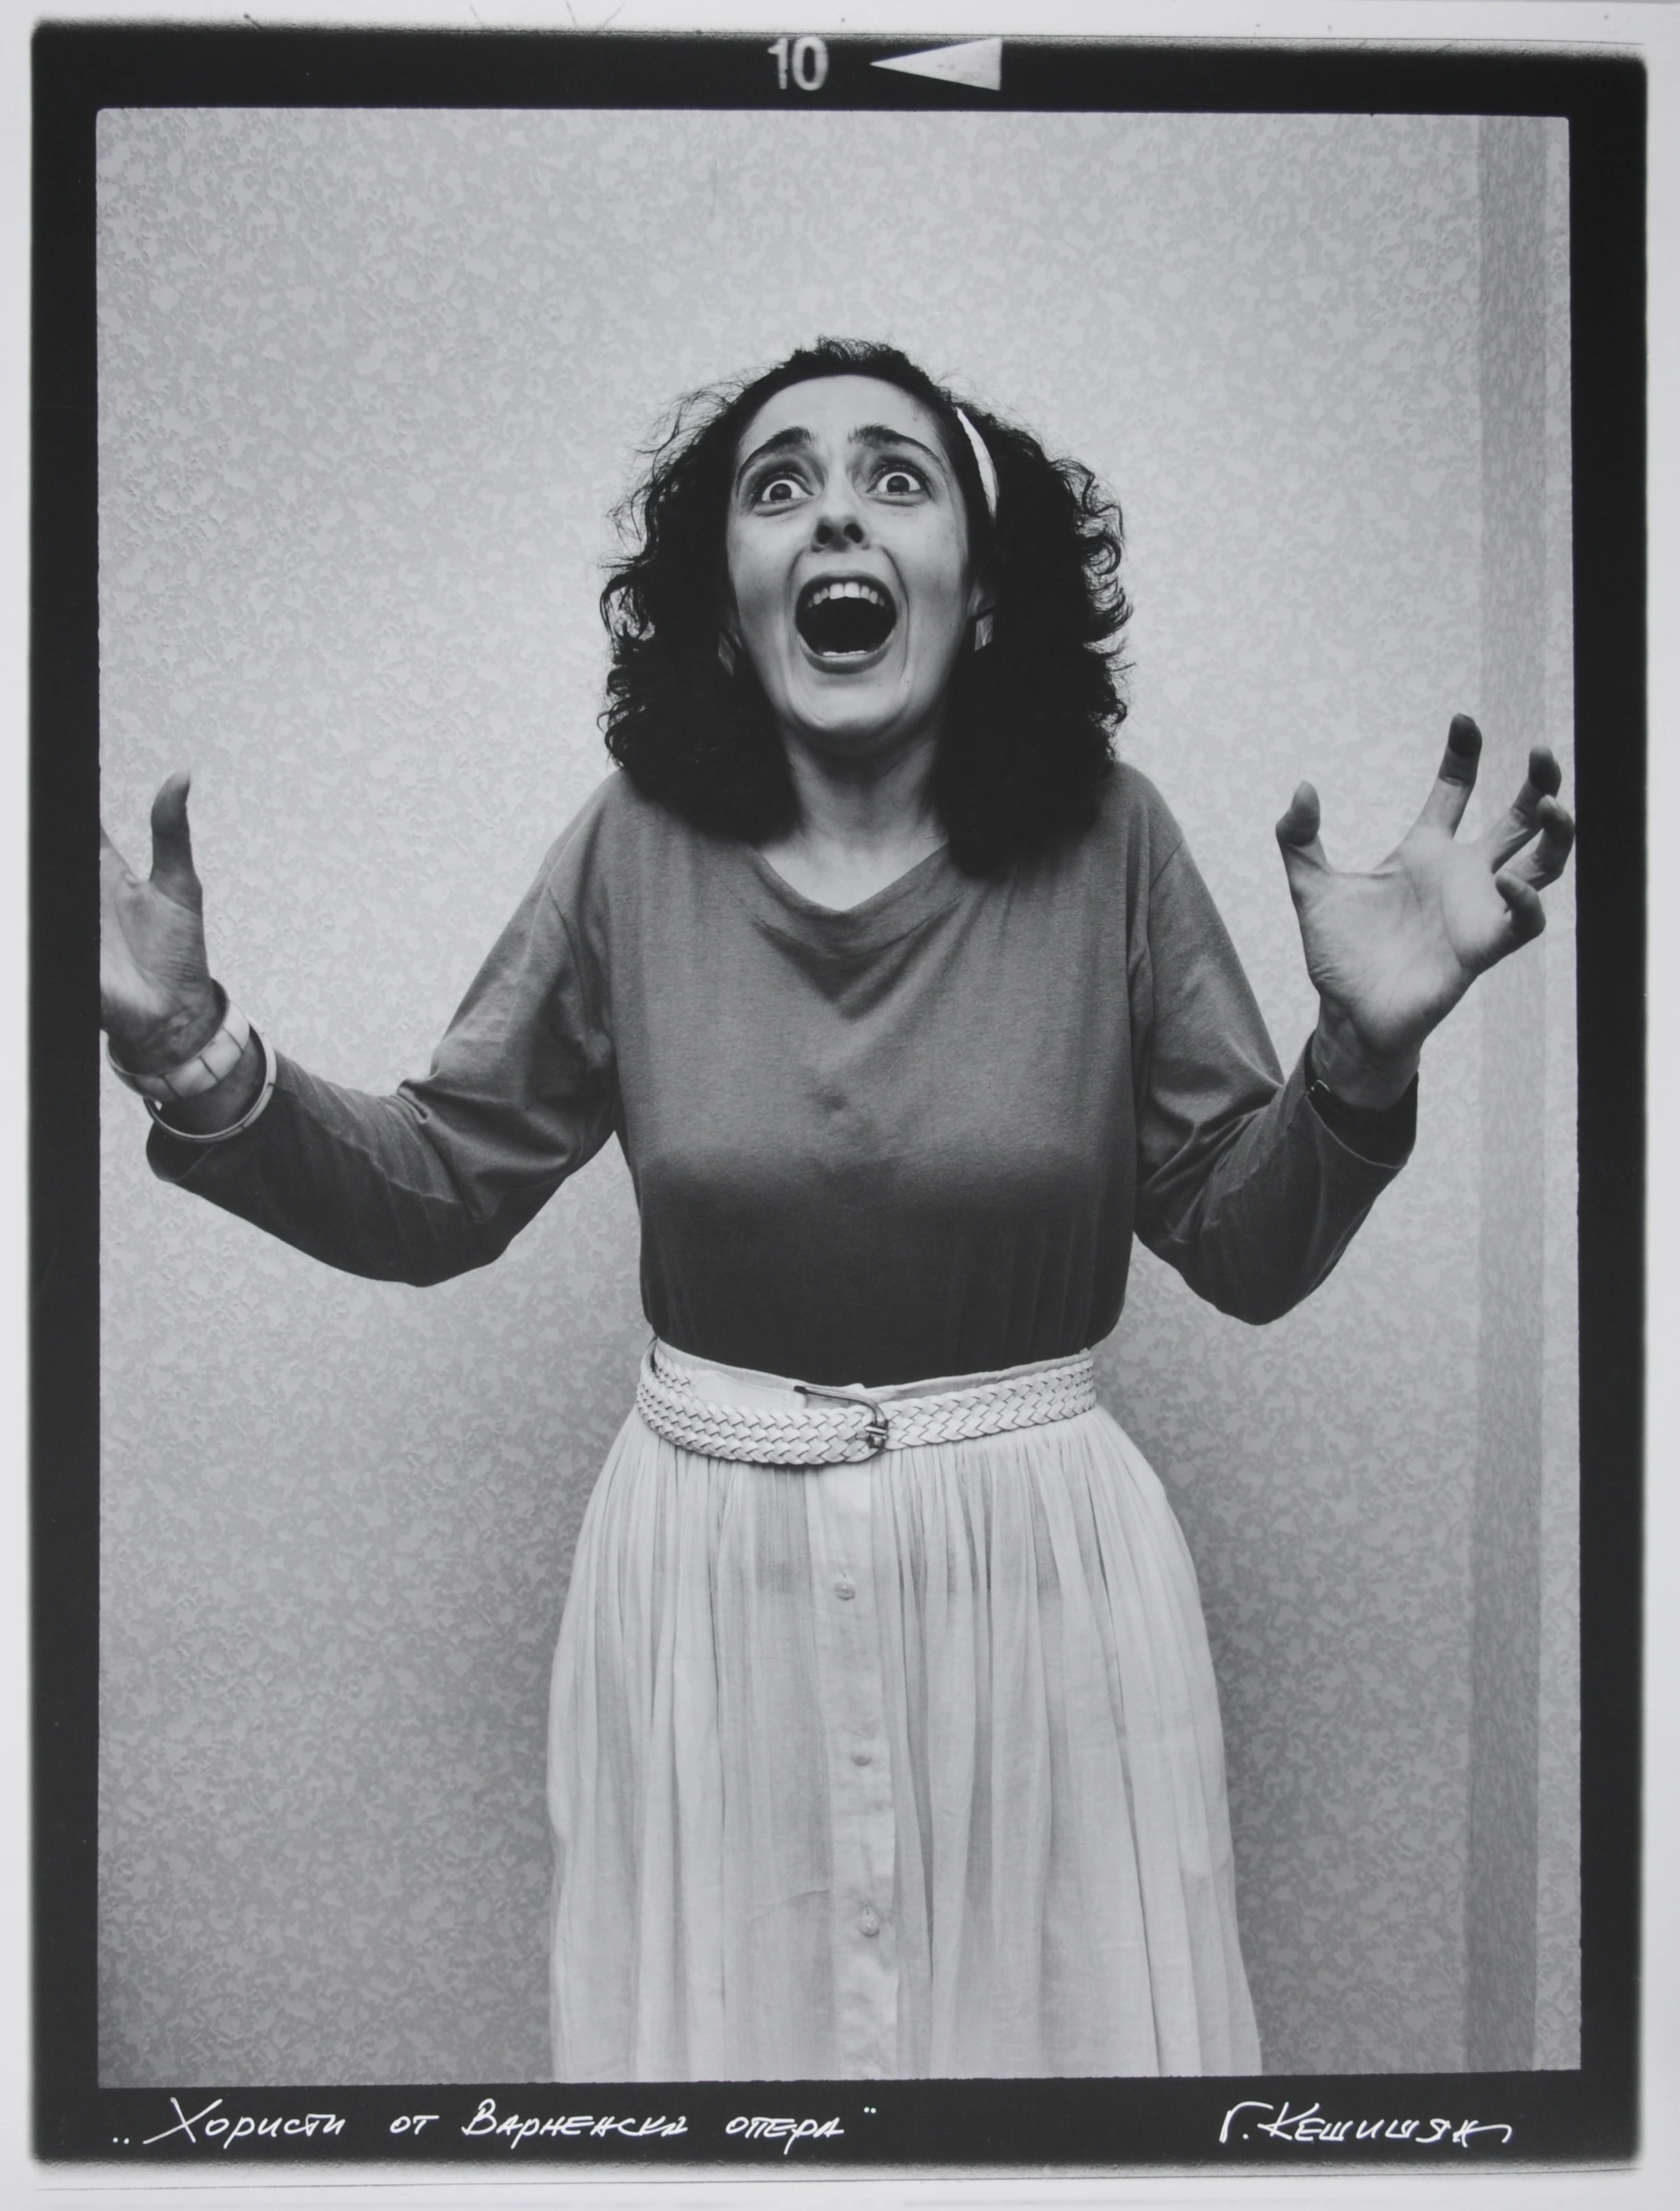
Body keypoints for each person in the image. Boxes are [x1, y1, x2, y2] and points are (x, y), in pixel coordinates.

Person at [100, 338, 1574, 2083]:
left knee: (1064, 2087)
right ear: (729, 611)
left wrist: (1361, 1056)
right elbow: (439, 1181)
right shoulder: (629, 848)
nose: (835, 518)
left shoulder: (1115, 841)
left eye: (897, 476)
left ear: (985, 591)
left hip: (1047, 1582)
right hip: (704, 1589)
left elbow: (1243, 1244)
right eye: (779, 485)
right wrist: (195, 1057)